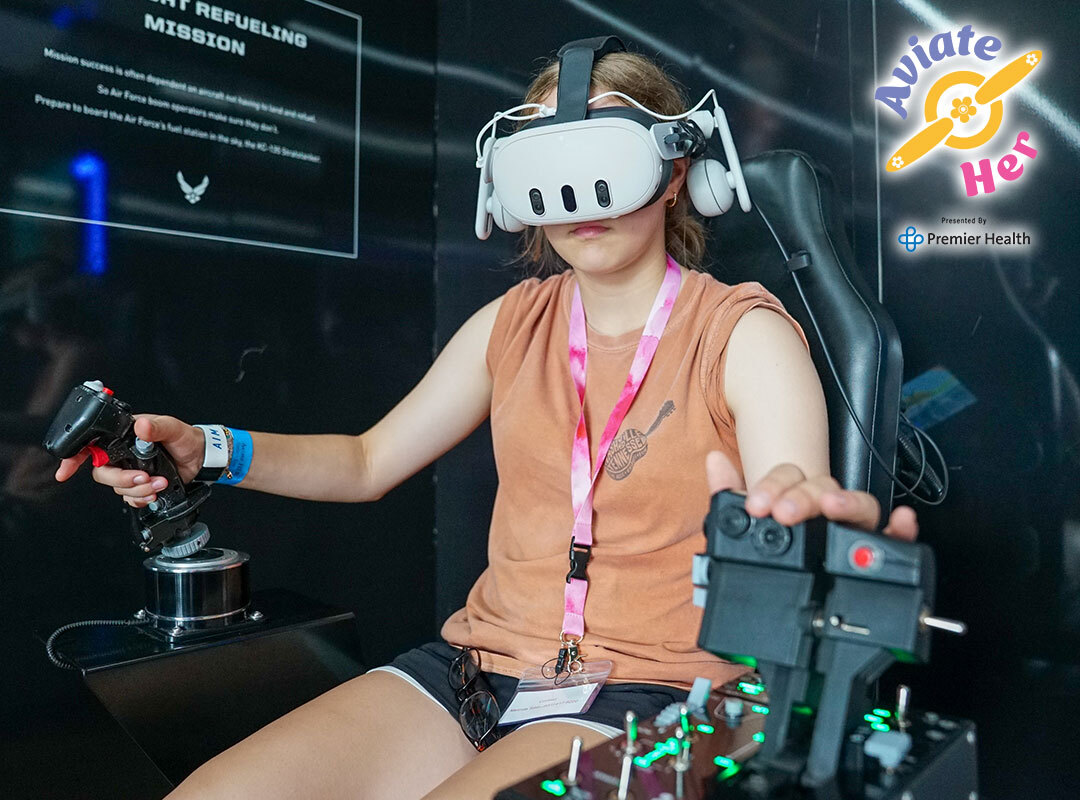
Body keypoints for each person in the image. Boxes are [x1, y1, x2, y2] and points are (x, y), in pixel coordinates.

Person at [54, 48, 917, 800]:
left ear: (677, 167)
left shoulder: (742, 331)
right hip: (476, 673)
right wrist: (205, 448)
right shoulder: (511, 324)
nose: (580, 195)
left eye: (603, 156)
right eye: (549, 164)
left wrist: (795, 513)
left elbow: (791, 491)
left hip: (663, 693)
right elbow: (365, 460)